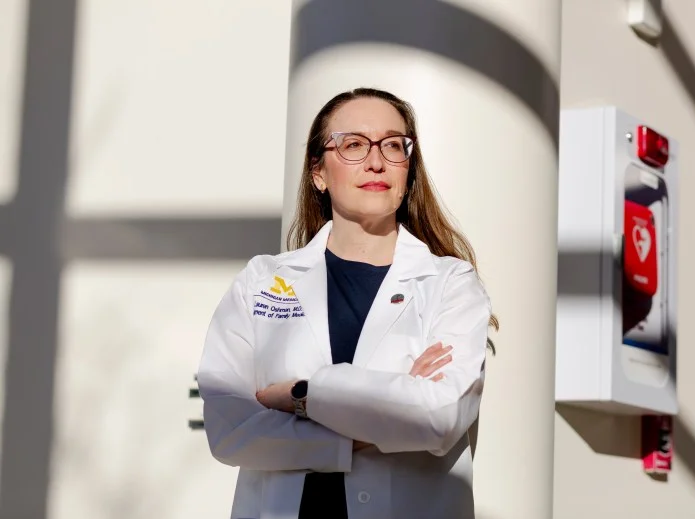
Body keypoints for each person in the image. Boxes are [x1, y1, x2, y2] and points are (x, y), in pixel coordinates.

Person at [197, 87, 497, 519]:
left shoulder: (451, 284)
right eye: (354, 145)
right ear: (318, 172)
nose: (376, 161)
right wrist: (381, 415)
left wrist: (303, 395)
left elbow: (440, 416)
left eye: (393, 146)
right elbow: (230, 431)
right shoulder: (262, 282)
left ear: (408, 171)